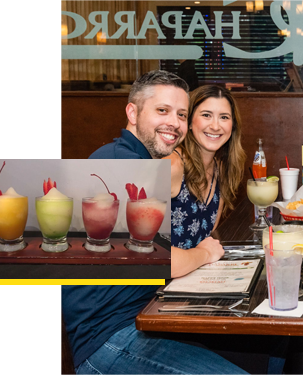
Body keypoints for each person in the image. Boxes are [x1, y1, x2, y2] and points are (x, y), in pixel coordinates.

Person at [63, 71, 248, 374]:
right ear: (133, 112)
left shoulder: (141, 162)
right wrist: (205, 253)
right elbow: (163, 261)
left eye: (180, 114)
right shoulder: (119, 163)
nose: (173, 123)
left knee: (270, 350)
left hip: (151, 312)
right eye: (162, 111)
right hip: (111, 336)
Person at [168, 85, 246, 277]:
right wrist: (204, 254)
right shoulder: (171, 165)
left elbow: (206, 238)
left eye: (224, 117)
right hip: (145, 291)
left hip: (189, 281)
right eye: (206, 115)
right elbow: (145, 256)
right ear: (189, 121)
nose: (215, 126)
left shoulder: (220, 170)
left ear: (233, 126)